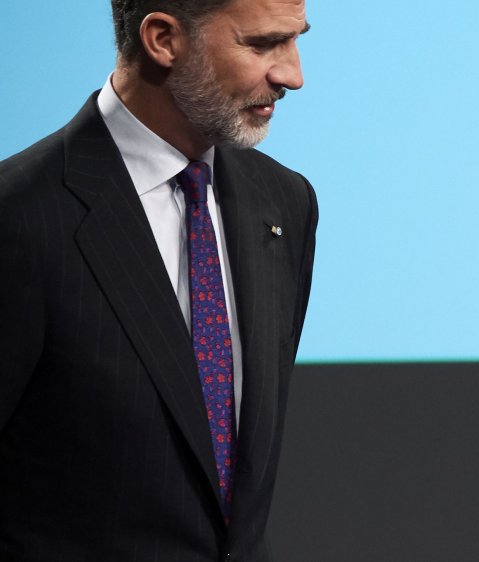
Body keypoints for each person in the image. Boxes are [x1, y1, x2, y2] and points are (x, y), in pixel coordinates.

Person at [0, 0, 315, 559]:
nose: (292, 75)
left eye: (295, 41)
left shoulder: (286, 202)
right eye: (264, 44)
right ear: (163, 39)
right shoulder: (20, 215)